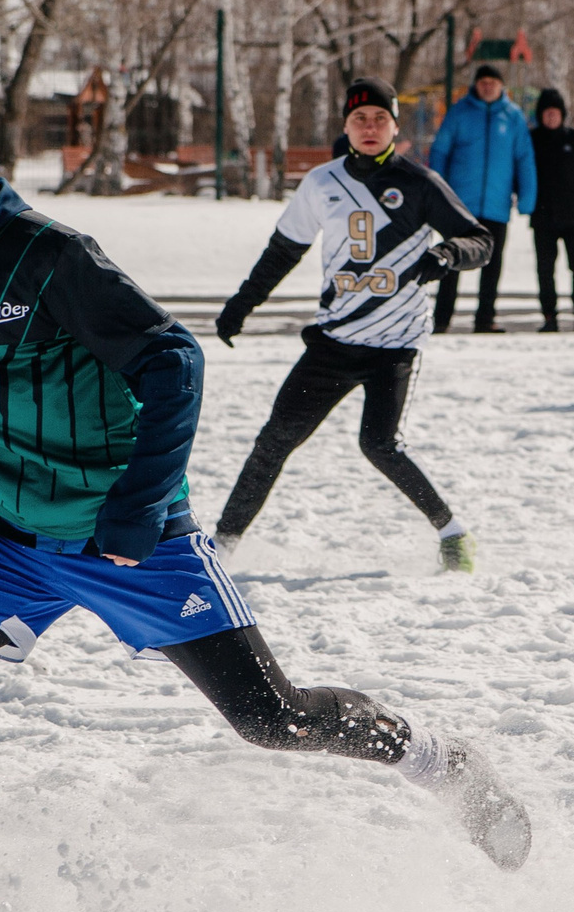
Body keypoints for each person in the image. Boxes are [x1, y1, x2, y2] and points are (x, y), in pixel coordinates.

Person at [0, 71, 529, 912]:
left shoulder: (44, 254)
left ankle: (440, 760)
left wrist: (139, 507)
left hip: (131, 534)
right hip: (10, 535)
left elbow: (173, 360)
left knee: (273, 716)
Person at [211, 76, 494, 572]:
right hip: (334, 344)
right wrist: (241, 305)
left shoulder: (420, 183)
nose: (370, 127)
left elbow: (481, 240)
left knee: (379, 445)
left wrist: (447, 254)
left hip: (395, 346)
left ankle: (453, 534)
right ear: (345, 125)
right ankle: (221, 546)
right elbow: (283, 252)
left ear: (395, 127)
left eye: (380, 118)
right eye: (360, 118)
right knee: (274, 440)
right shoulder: (322, 183)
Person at [420, 62, 535, 333]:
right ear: (476, 85)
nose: (487, 87)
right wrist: (436, 191)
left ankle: (485, 318)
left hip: (497, 204)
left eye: (492, 83)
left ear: (501, 86)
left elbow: (524, 158)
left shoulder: (513, 117)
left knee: (492, 263)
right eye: (483, 83)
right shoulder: (459, 112)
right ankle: (442, 319)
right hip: (460, 204)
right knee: (452, 259)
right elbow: (440, 151)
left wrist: (527, 197)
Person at [527, 87, 574, 331]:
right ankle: (549, 316)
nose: (551, 116)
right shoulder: (531, 139)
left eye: (555, 112)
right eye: (546, 112)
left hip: (572, 216)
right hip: (542, 216)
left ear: (562, 114)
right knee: (545, 269)